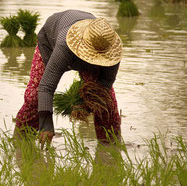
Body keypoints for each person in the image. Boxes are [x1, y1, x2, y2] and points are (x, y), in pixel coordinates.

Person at [14, 9, 122, 145]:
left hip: (90, 46)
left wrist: (86, 104)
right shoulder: (65, 45)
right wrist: (46, 124)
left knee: (104, 101)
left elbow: (105, 84)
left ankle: (110, 145)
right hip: (50, 42)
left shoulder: (111, 50)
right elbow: (46, 86)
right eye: (92, 55)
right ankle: (21, 140)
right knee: (34, 97)